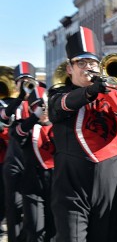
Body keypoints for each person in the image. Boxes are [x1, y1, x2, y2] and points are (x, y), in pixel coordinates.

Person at [47, 26, 117, 242]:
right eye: (81, 62)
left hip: (108, 178)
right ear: (69, 68)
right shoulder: (59, 93)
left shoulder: (111, 95)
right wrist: (90, 92)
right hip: (71, 182)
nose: (88, 67)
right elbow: (58, 108)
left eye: (93, 62)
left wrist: (110, 94)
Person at [13, 83, 56, 241]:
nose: (43, 110)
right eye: (38, 106)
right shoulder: (26, 126)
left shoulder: (59, 125)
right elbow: (18, 133)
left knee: (54, 230)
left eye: (44, 106)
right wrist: (35, 116)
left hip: (57, 185)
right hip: (33, 186)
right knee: (35, 229)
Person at [2, 61, 38, 242]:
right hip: (14, 161)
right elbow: (3, 119)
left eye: (28, 80)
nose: (25, 83)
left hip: (34, 161)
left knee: (33, 213)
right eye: (21, 80)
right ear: (16, 84)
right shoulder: (9, 103)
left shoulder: (40, 102)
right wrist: (20, 98)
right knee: (13, 208)